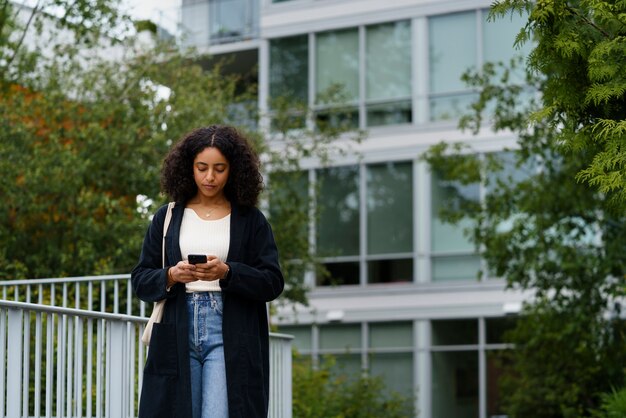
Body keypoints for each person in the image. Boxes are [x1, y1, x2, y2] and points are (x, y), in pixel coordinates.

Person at [131, 125, 284, 418]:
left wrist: (227, 272)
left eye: (219, 168)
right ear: (189, 168)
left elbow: (273, 281)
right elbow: (140, 279)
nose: (210, 177)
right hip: (177, 327)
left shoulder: (250, 220)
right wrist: (171, 275)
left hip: (229, 331)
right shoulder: (168, 217)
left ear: (233, 170)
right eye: (202, 168)